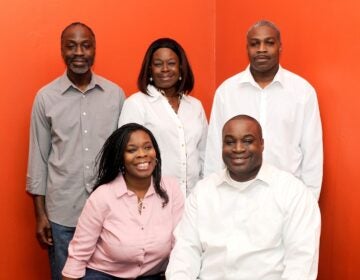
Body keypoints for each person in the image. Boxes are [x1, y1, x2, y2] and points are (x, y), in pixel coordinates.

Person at [26, 22, 125, 279]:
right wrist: (40, 215)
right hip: (62, 215)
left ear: (95, 49)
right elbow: (38, 157)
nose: (78, 52)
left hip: (109, 215)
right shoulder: (46, 98)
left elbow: (125, 154)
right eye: (70, 46)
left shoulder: (115, 95)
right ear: (62, 50)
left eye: (85, 45)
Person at [166, 115, 321, 280]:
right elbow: (185, 251)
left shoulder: (292, 192)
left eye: (247, 141)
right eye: (230, 142)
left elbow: (301, 264)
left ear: (262, 144)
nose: (238, 149)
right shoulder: (203, 191)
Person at [205, 20, 323, 200]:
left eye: (269, 42)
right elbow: (214, 150)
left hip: (287, 197)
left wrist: (308, 202)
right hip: (236, 195)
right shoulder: (226, 92)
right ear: (247, 48)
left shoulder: (302, 92)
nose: (261, 49)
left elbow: (312, 154)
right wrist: (213, 197)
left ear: (280, 47)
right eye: (254, 44)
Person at [62, 123, 184, 280]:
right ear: (120, 158)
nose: (142, 154)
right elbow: (78, 254)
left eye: (147, 147)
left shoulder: (171, 189)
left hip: (153, 275)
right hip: (104, 274)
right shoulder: (103, 196)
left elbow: (180, 244)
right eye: (132, 150)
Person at [118, 38, 208, 197]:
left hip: (193, 200)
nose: (165, 69)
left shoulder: (195, 106)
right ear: (150, 69)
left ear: (181, 68)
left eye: (171, 63)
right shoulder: (136, 104)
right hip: (154, 199)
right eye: (158, 64)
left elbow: (203, 154)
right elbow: (127, 157)